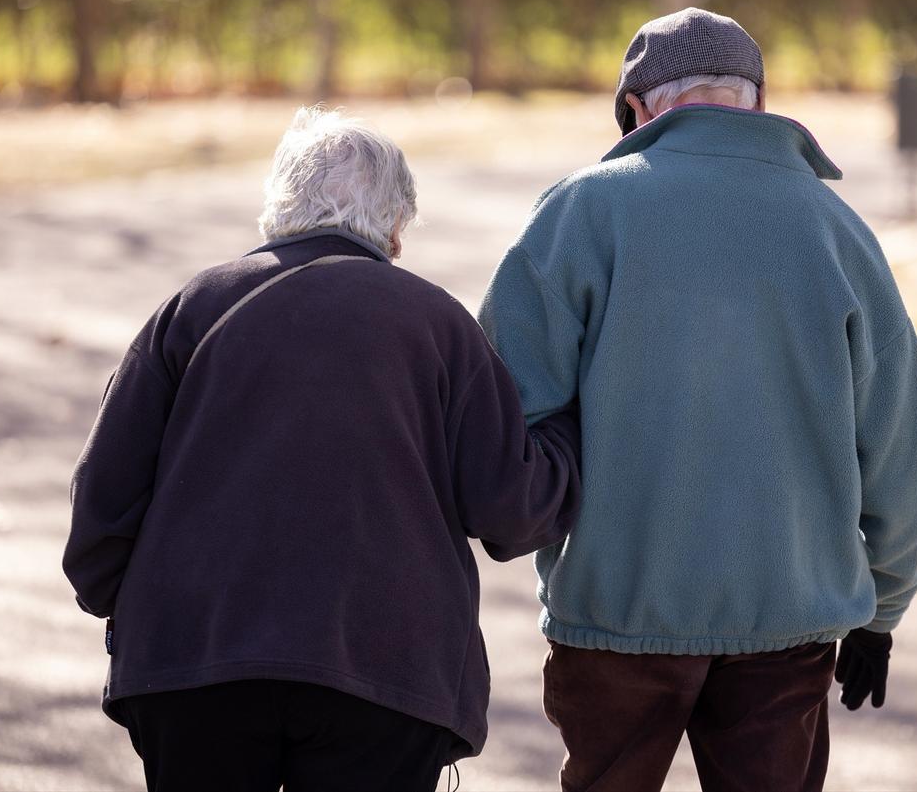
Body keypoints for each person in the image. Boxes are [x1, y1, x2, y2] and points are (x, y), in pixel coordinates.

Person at [477, 7, 917, 792]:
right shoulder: (835, 228)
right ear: (758, 102)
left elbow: (505, 418)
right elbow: (906, 456)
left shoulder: (579, 213)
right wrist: (881, 610)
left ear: (637, 110)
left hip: (615, 612)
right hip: (788, 618)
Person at [63, 108, 582, 792]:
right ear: (395, 227)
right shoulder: (439, 325)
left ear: (277, 209)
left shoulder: (193, 307)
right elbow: (511, 509)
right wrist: (568, 432)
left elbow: (102, 504)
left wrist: (133, 612)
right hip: (385, 670)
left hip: (195, 665)